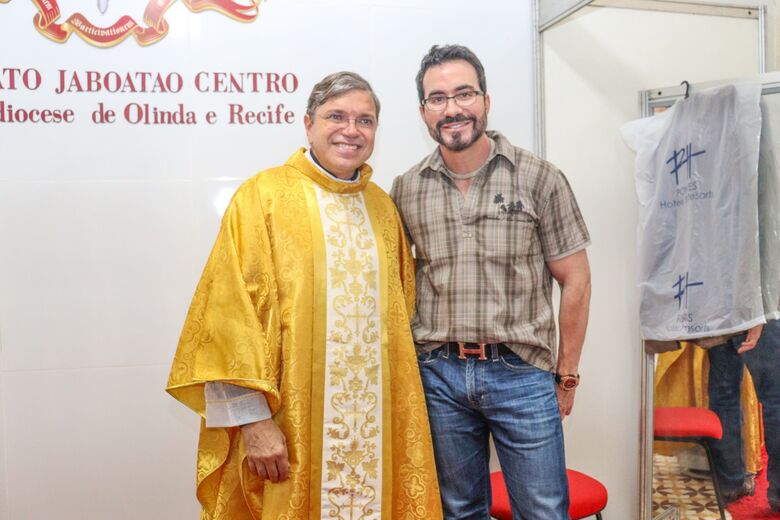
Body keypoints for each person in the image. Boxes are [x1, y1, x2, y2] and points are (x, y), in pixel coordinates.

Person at [167, 71, 442, 520]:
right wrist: (254, 423)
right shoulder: (263, 196)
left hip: (376, 434)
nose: (351, 130)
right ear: (308, 124)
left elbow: (401, 324)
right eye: (337, 116)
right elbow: (226, 320)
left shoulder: (382, 208)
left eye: (365, 120)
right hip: (289, 433)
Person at [390, 44, 592, 519]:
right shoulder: (406, 188)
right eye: (437, 98)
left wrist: (567, 373)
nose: (452, 108)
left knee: (542, 510)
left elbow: (577, 280)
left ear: (486, 100)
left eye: (464, 94)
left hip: (521, 373)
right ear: (423, 111)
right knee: (459, 511)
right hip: (438, 375)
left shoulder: (540, 178)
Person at [707, 319, 780, 511]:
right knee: (775, 399)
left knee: (724, 396)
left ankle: (729, 482)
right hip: (759, 315)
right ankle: (778, 492)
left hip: (720, 317)